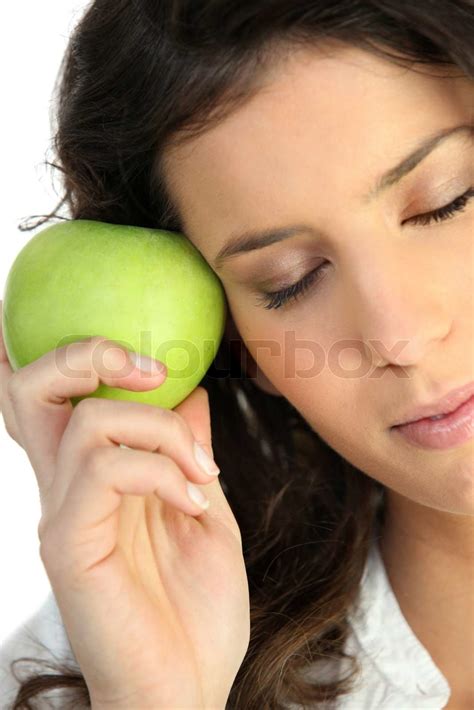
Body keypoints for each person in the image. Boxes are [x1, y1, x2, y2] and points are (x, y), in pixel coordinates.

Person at [0, 1, 473, 708]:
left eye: (447, 201)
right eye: (291, 282)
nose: (397, 336)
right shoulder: (89, 675)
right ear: (241, 350)